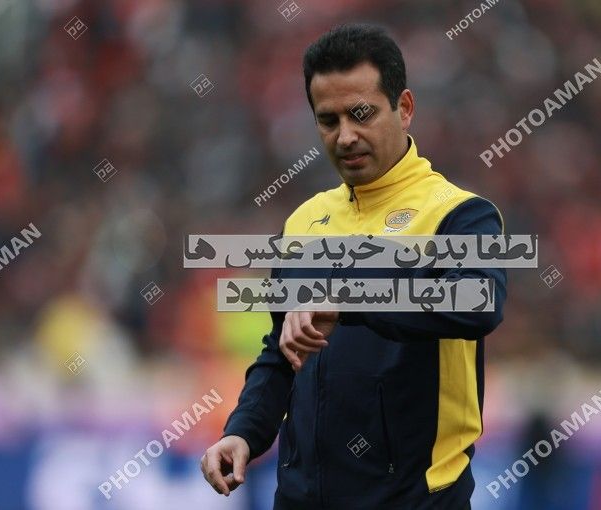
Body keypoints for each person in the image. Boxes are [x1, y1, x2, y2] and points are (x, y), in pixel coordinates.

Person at [200, 23, 507, 510]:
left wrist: (349, 300)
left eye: (361, 114)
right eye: (328, 120)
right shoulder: (303, 222)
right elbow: (282, 352)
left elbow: (479, 302)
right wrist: (244, 432)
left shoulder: (461, 215)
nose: (345, 136)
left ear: (404, 108)